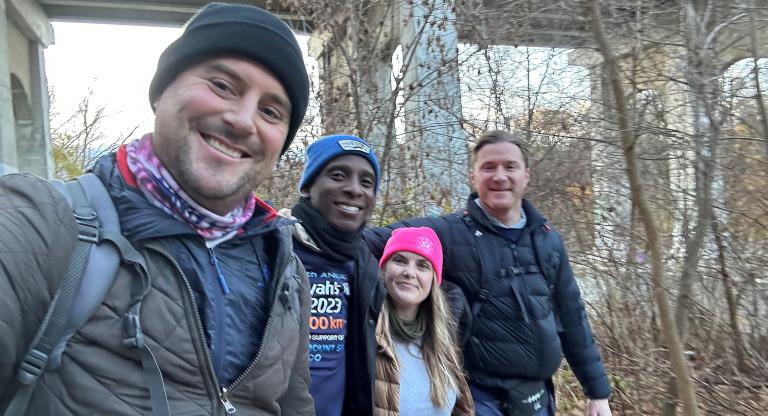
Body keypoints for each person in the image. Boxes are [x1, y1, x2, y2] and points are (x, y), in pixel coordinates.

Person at [0, 3, 314, 415]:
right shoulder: (40, 222)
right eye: (222, 85)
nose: (242, 120)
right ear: (161, 90)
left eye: (271, 111)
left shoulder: (286, 272)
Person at [365, 130, 612, 416]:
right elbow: (366, 243)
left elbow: (572, 315)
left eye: (510, 167)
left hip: (538, 398)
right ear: (473, 176)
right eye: (488, 167)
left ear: (526, 175)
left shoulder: (547, 240)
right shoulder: (450, 231)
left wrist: (597, 392)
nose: (499, 176)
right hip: (481, 398)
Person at [278, 134, 385, 416]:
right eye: (338, 175)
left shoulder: (365, 266)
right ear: (307, 187)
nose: (354, 189)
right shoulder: (273, 249)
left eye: (366, 182)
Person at [374, 227, 474, 416]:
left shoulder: (443, 341)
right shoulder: (367, 334)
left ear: (433, 279)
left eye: (422, 265)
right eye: (400, 260)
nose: (409, 272)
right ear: (384, 269)